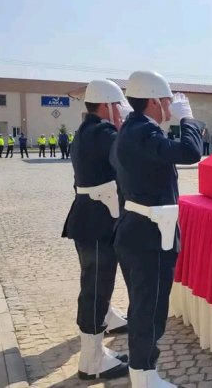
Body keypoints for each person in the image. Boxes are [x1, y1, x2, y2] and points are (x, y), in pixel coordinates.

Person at [111, 71, 204, 387]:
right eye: (167, 101)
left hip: (139, 231)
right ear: (152, 100)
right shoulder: (144, 133)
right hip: (148, 236)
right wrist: (187, 121)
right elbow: (191, 153)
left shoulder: (133, 130)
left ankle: (143, 371)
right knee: (149, 309)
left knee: (144, 304)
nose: (171, 106)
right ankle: (144, 375)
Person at [62, 79, 130, 381]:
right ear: (107, 106)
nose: (121, 114)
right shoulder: (103, 133)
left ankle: (106, 321)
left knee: (98, 281)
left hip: (90, 218)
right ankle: (91, 361)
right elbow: (129, 163)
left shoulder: (87, 130)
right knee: (95, 287)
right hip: (99, 221)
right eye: (118, 108)